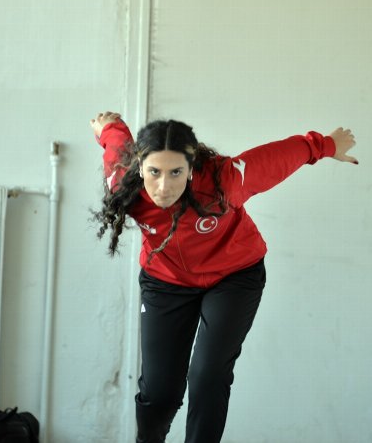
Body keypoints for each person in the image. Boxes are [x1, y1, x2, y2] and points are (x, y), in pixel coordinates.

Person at [90, 111, 358, 443]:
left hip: (233, 277)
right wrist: (109, 127)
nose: (164, 186)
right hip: (166, 281)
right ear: (140, 167)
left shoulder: (224, 180)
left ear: (191, 168)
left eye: (176, 172)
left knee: (207, 375)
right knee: (159, 392)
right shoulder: (124, 184)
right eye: (154, 172)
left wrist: (327, 144)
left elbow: (278, 158)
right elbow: (118, 144)